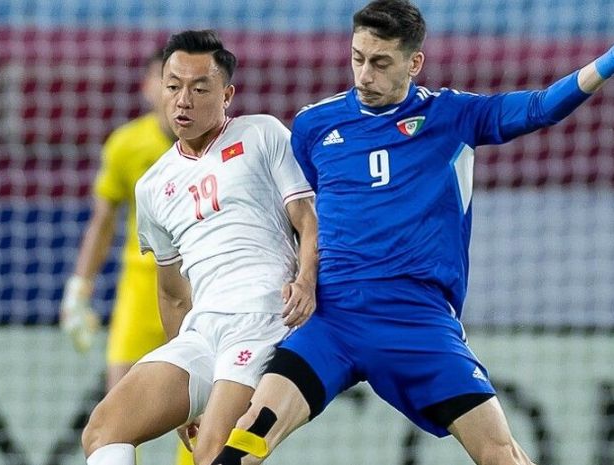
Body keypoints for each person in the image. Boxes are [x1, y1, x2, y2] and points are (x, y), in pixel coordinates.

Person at [210, 1, 614, 465]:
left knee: (500, 454)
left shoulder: (454, 116)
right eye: (358, 57)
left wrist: (608, 61)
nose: (364, 74)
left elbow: (542, 108)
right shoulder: (313, 125)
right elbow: (299, 221)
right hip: (332, 318)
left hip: (416, 321)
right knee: (248, 437)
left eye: (380, 62)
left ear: (413, 62)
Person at [80, 29, 318, 465]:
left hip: (261, 318)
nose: (182, 100)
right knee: (103, 429)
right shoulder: (152, 186)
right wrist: (183, 381)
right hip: (201, 331)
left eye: (198, 88)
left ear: (226, 94)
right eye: (173, 86)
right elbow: (172, 294)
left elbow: (307, 217)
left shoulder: (262, 134)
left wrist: (306, 280)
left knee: (212, 455)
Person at [59, 49, 194, 465]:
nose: (176, 94)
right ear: (148, 87)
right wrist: (78, 291)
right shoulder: (127, 144)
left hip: (199, 291)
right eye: (167, 82)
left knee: (202, 420)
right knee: (116, 416)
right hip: (140, 291)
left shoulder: (222, 148)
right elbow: (102, 220)